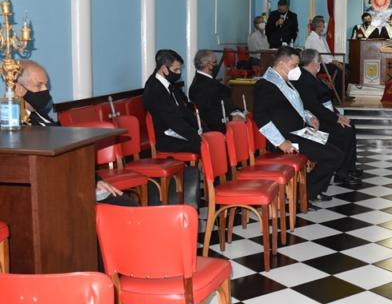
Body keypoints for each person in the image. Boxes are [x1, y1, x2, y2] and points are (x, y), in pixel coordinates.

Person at [16, 60, 133, 206]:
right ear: (19, 89)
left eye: (46, 85)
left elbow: (72, 155)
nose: (45, 91)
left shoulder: (41, 117)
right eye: (39, 86)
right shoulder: (14, 125)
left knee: (125, 204)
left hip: (72, 182)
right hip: (51, 192)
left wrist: (95, 181)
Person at [253, 47, 345, 202]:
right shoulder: (265, 84)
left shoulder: (286, 82)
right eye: (294, 65)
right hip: (288, 139)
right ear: (282, 64)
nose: (297, 69)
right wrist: (281, 142)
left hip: (302, 132)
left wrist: (309, 117)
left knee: (337, 144)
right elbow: (260, 117)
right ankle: (304, 194)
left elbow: (296, 107)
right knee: (333, 156)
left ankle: (311, 190)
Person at [142, 49, 201, 208]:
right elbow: (173, 122)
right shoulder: (154, 90)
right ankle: (192, 198)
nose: (179, 73)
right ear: (164, 68)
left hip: (177, 131)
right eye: (176, 69)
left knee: (210, 140)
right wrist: (198, 137)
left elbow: (185, 111)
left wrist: (202, 128)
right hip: (165, 137)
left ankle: (206, 188)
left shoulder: (170, 86)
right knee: (203, 144)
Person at [295, 49, 361, 189]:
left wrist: (338, 115)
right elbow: (313, 106)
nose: (320, 64)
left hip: (326, 115)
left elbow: (325, 101)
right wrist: (336, 118)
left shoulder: (312, 76)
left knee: (349, 125)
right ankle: (342, 173)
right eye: (319, 61)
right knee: (345, 131)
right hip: (317, 121)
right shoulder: (303, 79)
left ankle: (349, 167)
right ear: (313, 63)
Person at [189, 49, 245, 133]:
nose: (217, 65)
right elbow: (207, 114)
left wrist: (239, 111)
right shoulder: (201, 86)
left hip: (226, 116)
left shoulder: (204, 81)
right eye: (215, 62)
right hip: (219, 126)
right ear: (208, 65)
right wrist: (231, 118)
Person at [305, 16, 348, 100]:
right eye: (323, 26)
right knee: (339, 71)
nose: (324, 28)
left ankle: (344, 93)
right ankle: (338, 96)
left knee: (348, 67)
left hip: (326, 62)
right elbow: (322, 56)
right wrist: (335, 63)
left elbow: (327, 54)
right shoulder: (313, 39)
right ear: (318, 27)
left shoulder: (321, 38)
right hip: (319, 65)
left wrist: (335, 61)